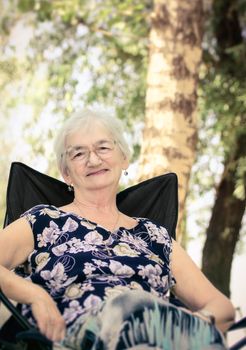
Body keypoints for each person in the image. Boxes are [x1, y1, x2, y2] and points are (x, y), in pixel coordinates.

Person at [0, 109, 235, 350]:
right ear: (66, 172)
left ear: (124, 158)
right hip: (81, 338)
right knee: (129, 306)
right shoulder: (44, 221)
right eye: (79, 153)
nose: (93, 160)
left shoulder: (155, 237)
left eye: (103, 148)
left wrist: (197, 321)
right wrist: (34, 295)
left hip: (160, 334)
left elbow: (222, 307)